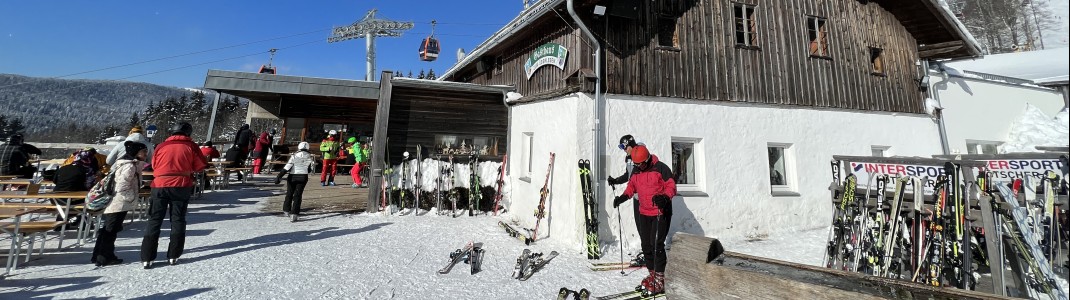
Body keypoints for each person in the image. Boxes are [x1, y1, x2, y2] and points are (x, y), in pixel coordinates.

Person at [140, 122, 207, 269]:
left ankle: (147, 257)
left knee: (154, 220)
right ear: (188, 133)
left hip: (159, 185)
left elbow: (154, 164)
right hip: (181, 184)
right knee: (177, 219)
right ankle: (173, 255)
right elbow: (200, 165)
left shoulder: (161, 146)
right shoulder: (191, 146)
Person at [611, 145, 676, 296]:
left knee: (656, 245)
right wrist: (622, 197)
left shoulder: (660, 168)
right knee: (646, 245)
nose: (639, 167)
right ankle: (653, 274)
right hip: (644, 212)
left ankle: (661, 278)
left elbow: (671, 185)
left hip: (660, 212)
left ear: (647, 160)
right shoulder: (636, 170)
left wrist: (665, 197)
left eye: (641, 164)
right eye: (636, 164)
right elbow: (631, 187)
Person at [91, 141, 148, 266]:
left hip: (115, 200)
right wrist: (131, 197)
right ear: (136, 153)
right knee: (111, 230)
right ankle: (105, 257)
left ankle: (98, 255)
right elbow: (122, 186)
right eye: (144, 151)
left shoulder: (122, 163)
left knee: (107, 229)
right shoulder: (130, 166)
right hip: (119, 201)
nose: (146, 154)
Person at [282, 142, 315, 222]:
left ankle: (286, 210)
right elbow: (310, 169)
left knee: (289, 193)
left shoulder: (294, 155)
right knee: (298, 194)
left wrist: (279, 176)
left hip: (292, 176)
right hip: (303, 176)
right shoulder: (310, 157)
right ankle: (294, 213)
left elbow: (288, 166)